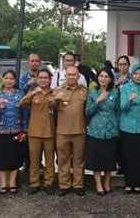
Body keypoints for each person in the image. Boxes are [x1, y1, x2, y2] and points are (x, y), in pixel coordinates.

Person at [0, 70, 26, 194]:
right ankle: (3, 183)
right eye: (6, 78)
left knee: (15, 157)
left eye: (11, 79)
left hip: (16, 130)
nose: (8, 81)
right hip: (0, 131)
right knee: (1, 158)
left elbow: (25, 113)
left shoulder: (20, 94)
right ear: (2, 79)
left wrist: (25, 129)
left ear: (15, 81)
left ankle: (13, 182)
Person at [20, 69, 56, 195]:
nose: (43, 80)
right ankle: (34, 183)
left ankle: (49, 183)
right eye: (41, 77)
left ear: (50, 79)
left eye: (45, 78)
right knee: (34, 160)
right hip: (34, 132)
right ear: (37, 79)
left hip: (50, 132)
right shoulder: (33, 92)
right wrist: (33, 92)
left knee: (49, 160)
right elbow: (22, 103)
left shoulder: (54, 93)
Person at [54, 66, 89, 197]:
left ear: (78, 77)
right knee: (63, 160)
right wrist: (55, 99)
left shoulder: (84, 91)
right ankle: (64, 185)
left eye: (74, 75)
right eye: (69, 74)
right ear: (65, 75)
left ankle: (78, 185)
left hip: (79, 131)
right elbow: (50, 107)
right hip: (62, 131)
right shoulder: (58, 91)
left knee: (79, 160)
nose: (71, 77)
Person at [119, 64, 140, 194]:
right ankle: (129, 183)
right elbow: (122, 107)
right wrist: (129, 99)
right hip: (127, 127)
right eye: (135, 74)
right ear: (132, 75)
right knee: (128, 156)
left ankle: (139, 183)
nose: (138, 76)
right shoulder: (126, 88)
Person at [85, 68, 120, 196]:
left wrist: (117, 128)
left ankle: (107, 183)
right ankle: (98, 183)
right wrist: (98, 100)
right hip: (95, 130)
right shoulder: (93, 94)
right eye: (101, 76)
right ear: (97, 78)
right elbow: (87, 111)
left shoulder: (115, 93)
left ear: (110, 79)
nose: (103, 78)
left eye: (106, 76)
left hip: (111, 130)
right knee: (97, 160)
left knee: (109, 159)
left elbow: (117, 110)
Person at [19, 53, 42, 172]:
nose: (34, 63)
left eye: (37, 61)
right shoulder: (23, 78)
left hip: (41, 113)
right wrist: (27, 84)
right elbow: (19, 95)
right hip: (27, 114)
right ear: (28, 63)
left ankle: (39, 163)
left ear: (40, 62)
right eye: (32, 61)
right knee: (26, 139)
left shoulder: (44, 77)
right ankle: (26, 163)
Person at [113, 55, 132, 175]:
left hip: (128, 111)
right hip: (115, 112)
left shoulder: (133, 77)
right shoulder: (114, 77)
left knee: (126, 140)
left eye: (125, 64)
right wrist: (117, 83)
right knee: (117, 140)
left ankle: (127, 164)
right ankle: (119, 164)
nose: (122, 66)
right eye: (120, 64)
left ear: (128, 65)